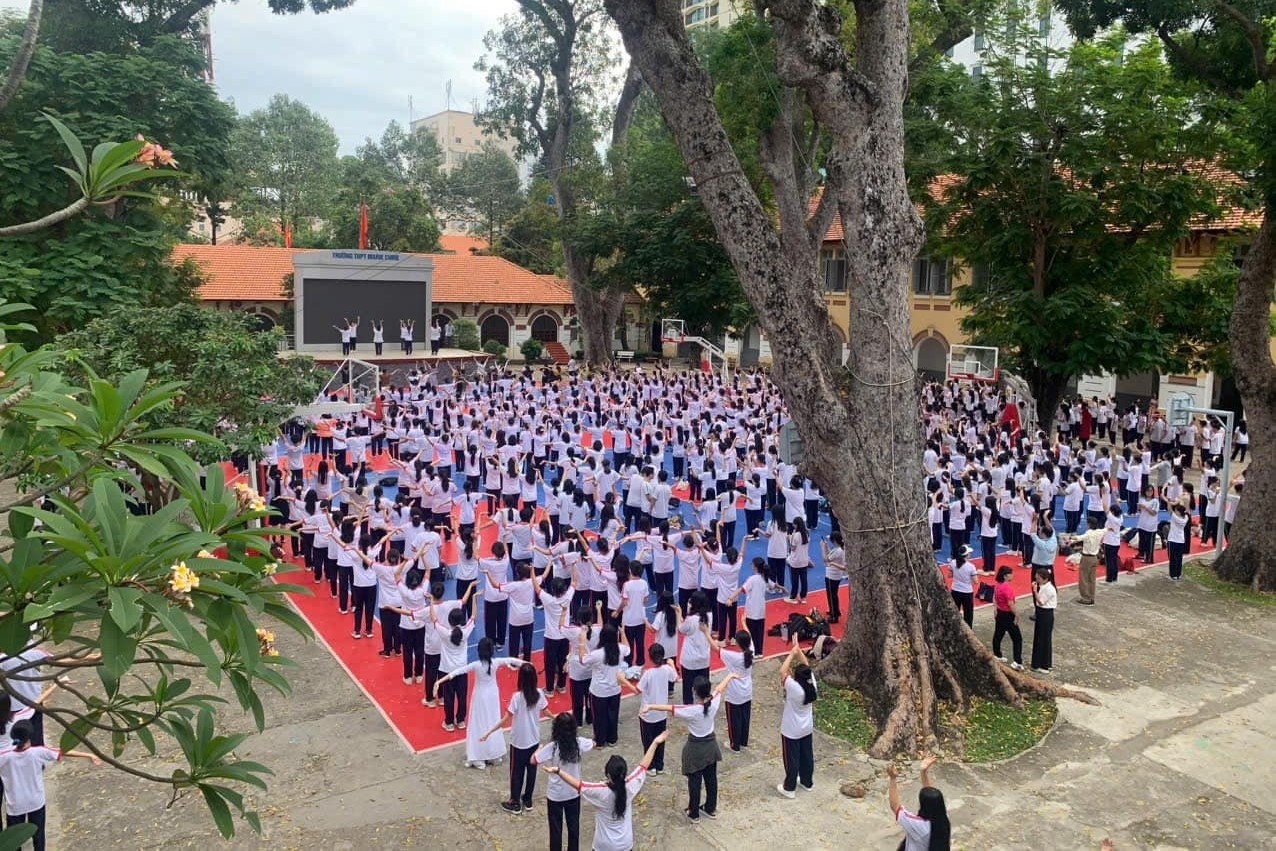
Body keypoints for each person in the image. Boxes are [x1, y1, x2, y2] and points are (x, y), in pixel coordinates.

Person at [541, 731, 669, 851]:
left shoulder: (599, 791)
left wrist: (558, 771)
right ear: (624, 774)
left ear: (608, 775)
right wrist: (655, 743)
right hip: (625, 844)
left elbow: (577, 784)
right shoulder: (631, 786)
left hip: (603, 845)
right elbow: (644, 765)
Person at [640, 672, 738, 824]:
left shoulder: (691, 711)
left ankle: (694, 812)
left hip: (695, 747)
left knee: (694, 780)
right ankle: (710, 808)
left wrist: (650, 706)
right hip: (711, 745)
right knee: (711, 779)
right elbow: (720, 688)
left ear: (694, 691)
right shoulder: (713, 703)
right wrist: (730, 676)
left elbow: (669, 707)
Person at [0, 719, 101, 851]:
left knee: (14, 840)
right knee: (38, 836)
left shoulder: (4, 757)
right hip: (36, 802)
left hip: (15, 804)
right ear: (30, 737)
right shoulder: (38, 752)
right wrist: (89, 755)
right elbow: (63, 751)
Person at [436, 637, 522, 768]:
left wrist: (439, 681)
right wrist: (528, 664)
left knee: (478, 722)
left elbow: (457, 672)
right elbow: (512, 660)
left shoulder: (476, 665)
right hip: (492, 695)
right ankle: (493, 754)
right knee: (493, 720)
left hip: (480, 697)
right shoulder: (496, 662)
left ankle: (478, 755)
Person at [482, 662, 549, 815]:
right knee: (531, 771)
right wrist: (560, 718)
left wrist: (489, 732)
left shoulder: (517, 697)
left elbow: (505, 719)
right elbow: (547, 712)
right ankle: (528, 799)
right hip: (534, 740)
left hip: (519, 742)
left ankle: (515, 802)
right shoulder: (539, 694)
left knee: (516, 773)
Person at [532, 712, 595, 851]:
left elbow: (534, 760)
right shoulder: (578, 743)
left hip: (555, 795)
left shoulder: (552, 747)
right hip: (573, 792)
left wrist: (539, 749)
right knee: (573, 830)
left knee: (555, 831)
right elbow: (593, 743)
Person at [775, 637, 817, 799]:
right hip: (806, 727)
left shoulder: (795, 689)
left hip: (791, 729)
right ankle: (807, 782)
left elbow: (782, 672)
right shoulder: (811, 686)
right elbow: (807, 666)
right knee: (807, 755)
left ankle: (789, 787)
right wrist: (798, 650)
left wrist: (792, 655)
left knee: (791, 759)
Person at [887, 755, 950, 851]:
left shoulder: (918, 825)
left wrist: (893, 778)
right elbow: (932, 800)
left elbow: (895, 806)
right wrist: (923, 772)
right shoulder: (943, 822)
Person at [636, 644, 678, 774]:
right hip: (662, 713)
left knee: (648, 742)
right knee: (660, 740)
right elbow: (676, 678)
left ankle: (650, 766)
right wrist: (671, 664)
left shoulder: (648, 673)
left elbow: (638, 689)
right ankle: (659, 765)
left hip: (647, 714)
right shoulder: (666, 669)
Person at [990, 566, 1024, 670]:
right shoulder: (1007, 587)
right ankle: (1017, 661)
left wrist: (995, 608)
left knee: (998, 634)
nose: (1012, 575)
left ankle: (997, 654)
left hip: (1000, 613)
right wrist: (1017, 614)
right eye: (1010, 573)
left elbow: (994, 598)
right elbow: (1010, 603)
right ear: (1005, 576)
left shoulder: (997, 585)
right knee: (1017, 638)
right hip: (1008, 615)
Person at [1030, 567, 1057, 674]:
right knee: (1043, 638)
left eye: (1039, 578)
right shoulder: (1045, 586)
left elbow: (1041, 602)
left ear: (1044, 579)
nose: (1037, 580)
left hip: (1045, 613)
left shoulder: (1048, 589)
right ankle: (1045, 663)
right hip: (1044, 614)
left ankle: (1041, 664)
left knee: (1042, 639)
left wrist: (1035, 591)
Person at [820, 532, 847, 624]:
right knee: (833, 595)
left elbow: (825, 559)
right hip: (832, 574)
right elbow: (830, 556)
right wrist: (827, 548)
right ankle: (834, 610)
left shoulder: (838, 551)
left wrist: (822, 548)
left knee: (832, 595)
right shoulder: (837, 549)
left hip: (833, 575)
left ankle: (834, 616)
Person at [1076, 516, 1104, 605]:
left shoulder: (1088, 534)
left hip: (1087, 558)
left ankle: (1086, 598)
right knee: (1092, 579)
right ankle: (1091, 596)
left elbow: (1079, 538)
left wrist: (1071, 539)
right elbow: (1106, 530)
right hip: (1094, 558)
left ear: (1089, 524)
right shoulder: (1099, 532)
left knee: (1084, 578)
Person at [948, 545, 977, 628]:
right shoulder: (971, 567)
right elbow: (976, 581)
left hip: (955, 590)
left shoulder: (953, 563)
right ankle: (968, 630)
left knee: (955, 611)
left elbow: (950, 575)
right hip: (967, 592)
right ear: (967, 555)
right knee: (968, 614)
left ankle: (954, 628)